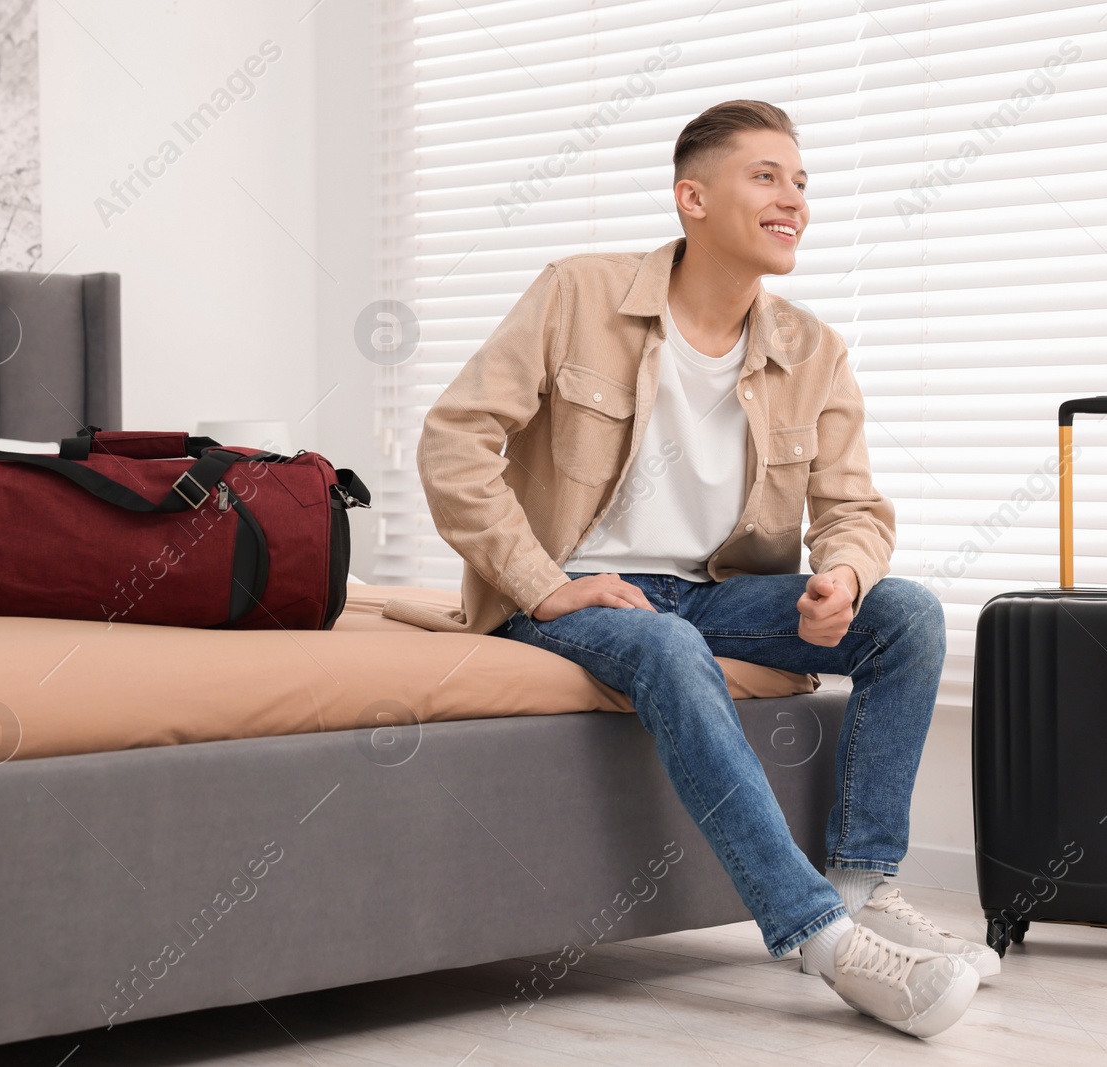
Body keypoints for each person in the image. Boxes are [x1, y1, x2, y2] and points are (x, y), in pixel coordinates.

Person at [384, 100, 993, 1039]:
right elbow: (454, 441)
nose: (793, 198)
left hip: (716, 594)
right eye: (766, 176)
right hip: (577, 595)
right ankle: (821, 938)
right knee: (666, 643)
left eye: (802, 182)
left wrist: (843, 576)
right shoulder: (577, 294)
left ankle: (864, 883)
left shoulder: (814, 350)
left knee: (907, 614)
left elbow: (854, 511)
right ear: (692, 197)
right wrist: (542, 583)